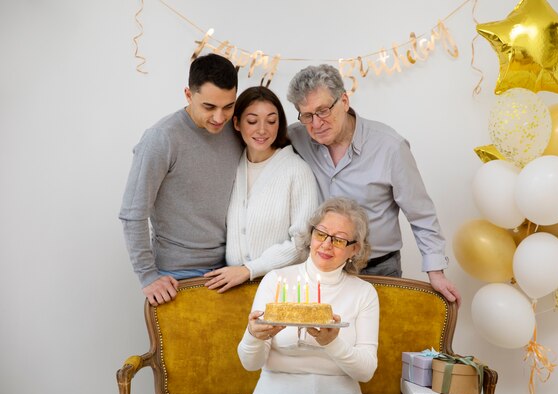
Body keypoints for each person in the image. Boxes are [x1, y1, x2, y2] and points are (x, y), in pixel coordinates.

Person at [286, 64, 461, 305]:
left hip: (378, 270)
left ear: (344, 101)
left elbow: (421, 214)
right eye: (307, 115)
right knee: (324, 341)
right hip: (321, 271)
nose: (316, 123)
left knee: (380, 342)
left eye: (323, 110)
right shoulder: (295, 138)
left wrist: (436, 272)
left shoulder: (390, 146)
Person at [119, 53, 242, 306]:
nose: (219, 118)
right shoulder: (161, 138)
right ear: (188, 94)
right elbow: (133, 212)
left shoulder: (237, 129)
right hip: (177, 277)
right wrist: (147, 276)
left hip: (228, 272)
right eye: (209, 107)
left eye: (228, 107)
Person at [238, 197, 379, 394]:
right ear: (311, 235)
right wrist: (253, 336)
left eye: (339, 240)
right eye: (321, 234)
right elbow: (250, 364)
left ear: (355, 249)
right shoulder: (276, 280)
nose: (326, 244)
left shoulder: (364, 293)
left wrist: (332, 343)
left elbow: (366, 371)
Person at [204, 86, 319, 293]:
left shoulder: (297, 170)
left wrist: (249, 269)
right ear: (237, 123)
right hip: (233, 291)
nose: (262, 130)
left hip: (282, 290)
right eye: (252, 121)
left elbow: (302, 244)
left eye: (271, 121)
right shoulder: (232, 167)